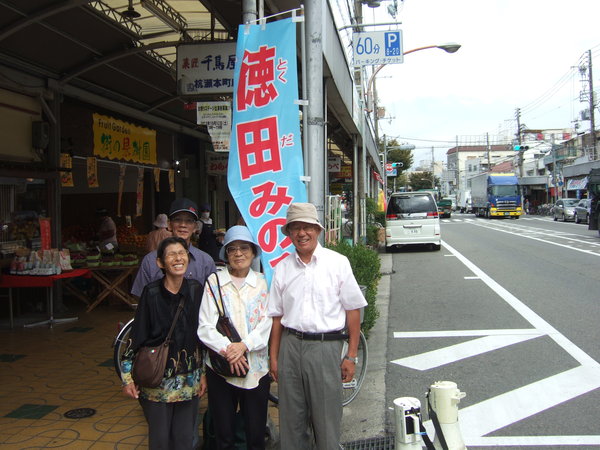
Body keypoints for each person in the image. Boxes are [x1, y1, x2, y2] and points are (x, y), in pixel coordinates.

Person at [268, 203, 367, 450]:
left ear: (318, 230)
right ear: (289, 234)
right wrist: (274, 357)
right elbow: (277, 317)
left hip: (326, 347)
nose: (302, 233)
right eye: (295, 228)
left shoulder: (337, 263)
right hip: (290, 346)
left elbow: (353, 311)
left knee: (326, 419)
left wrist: (351, 357)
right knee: (291, 419)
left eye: (307, 227)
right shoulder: (282, 267)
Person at [121, 236, 206, 449]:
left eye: (182, 253)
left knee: (185, 440)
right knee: (160, 441)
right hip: (157, 381)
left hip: (189, 380)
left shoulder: (196, 289)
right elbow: (136, 336)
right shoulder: (151, 293)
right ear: (160, 262)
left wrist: (203, 373)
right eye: (171, 254)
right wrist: (127, 378)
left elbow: (202, 337)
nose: (178, 258)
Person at [198, 225, 272, 450]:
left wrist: (244, 346)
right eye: (232, 249)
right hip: (221, 369)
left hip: (257, 369)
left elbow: (268, 322)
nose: (238, 253)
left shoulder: (264, 282)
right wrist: (230, 350)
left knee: (256, 433)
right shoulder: (214, 282)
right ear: (226, 254)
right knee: (224, 434)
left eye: (244, 247)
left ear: (253, 251)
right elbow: (205, 326)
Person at [131, 198, 216, 297]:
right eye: (177, 219)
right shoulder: (150, 261)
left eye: (189, 221)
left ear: (195, 227)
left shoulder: (206, 261)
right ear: (169, 225)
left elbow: (213, 300)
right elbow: (140, 299)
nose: (183, 225)